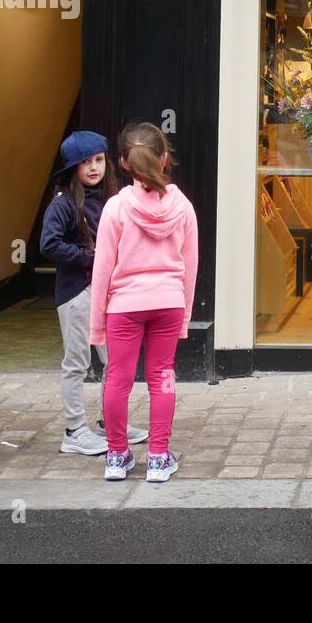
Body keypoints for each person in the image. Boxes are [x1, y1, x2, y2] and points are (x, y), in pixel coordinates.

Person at [90, 122, 198, 483]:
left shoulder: (115, 208)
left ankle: (117, 456)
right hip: (168, 301)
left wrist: (96, 324)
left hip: (124, 306)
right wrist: (184, 316)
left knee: (117, 379)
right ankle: (157, 457)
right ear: (164, 159)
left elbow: (102, 269)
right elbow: (190, 266)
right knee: (162, 376)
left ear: (123, 163)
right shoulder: (182, 206)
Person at [40, 130, 149, 455]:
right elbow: (48, 244)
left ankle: (110, 423)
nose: (93, 167)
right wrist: (89, 257)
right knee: (76, 362)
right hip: (76, 292)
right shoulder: (62, 204)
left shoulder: (116, 198)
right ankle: (74, 431)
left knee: (114, 361)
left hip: (111, 292)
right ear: (73, 167)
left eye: (98, 160)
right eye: (85, 162)